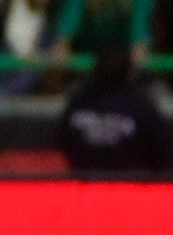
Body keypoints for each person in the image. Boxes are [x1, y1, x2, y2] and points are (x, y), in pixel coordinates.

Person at [59, 44, 171, 173]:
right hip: (85, 180)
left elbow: (160, 149)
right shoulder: (80, 102)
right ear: (130, 72)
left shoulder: (140, 105)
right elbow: (63, 141)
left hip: (130, 181)